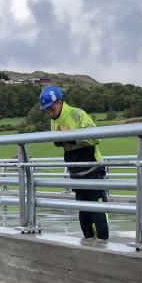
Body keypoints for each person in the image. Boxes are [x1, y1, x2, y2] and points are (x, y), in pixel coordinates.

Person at [40, 86, 109, 240]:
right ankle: (88, 244)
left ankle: (105, 244)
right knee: (83, 214)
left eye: (51, 109)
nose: (49, 113)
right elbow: (60, 144)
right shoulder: (54, 121)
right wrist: (59, 139)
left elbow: (96, 138)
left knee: (98, 212)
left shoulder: (78, 114)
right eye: (47, 111)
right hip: (75, 172)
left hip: (92, 170)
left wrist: (69, 135)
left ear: (59, 102)